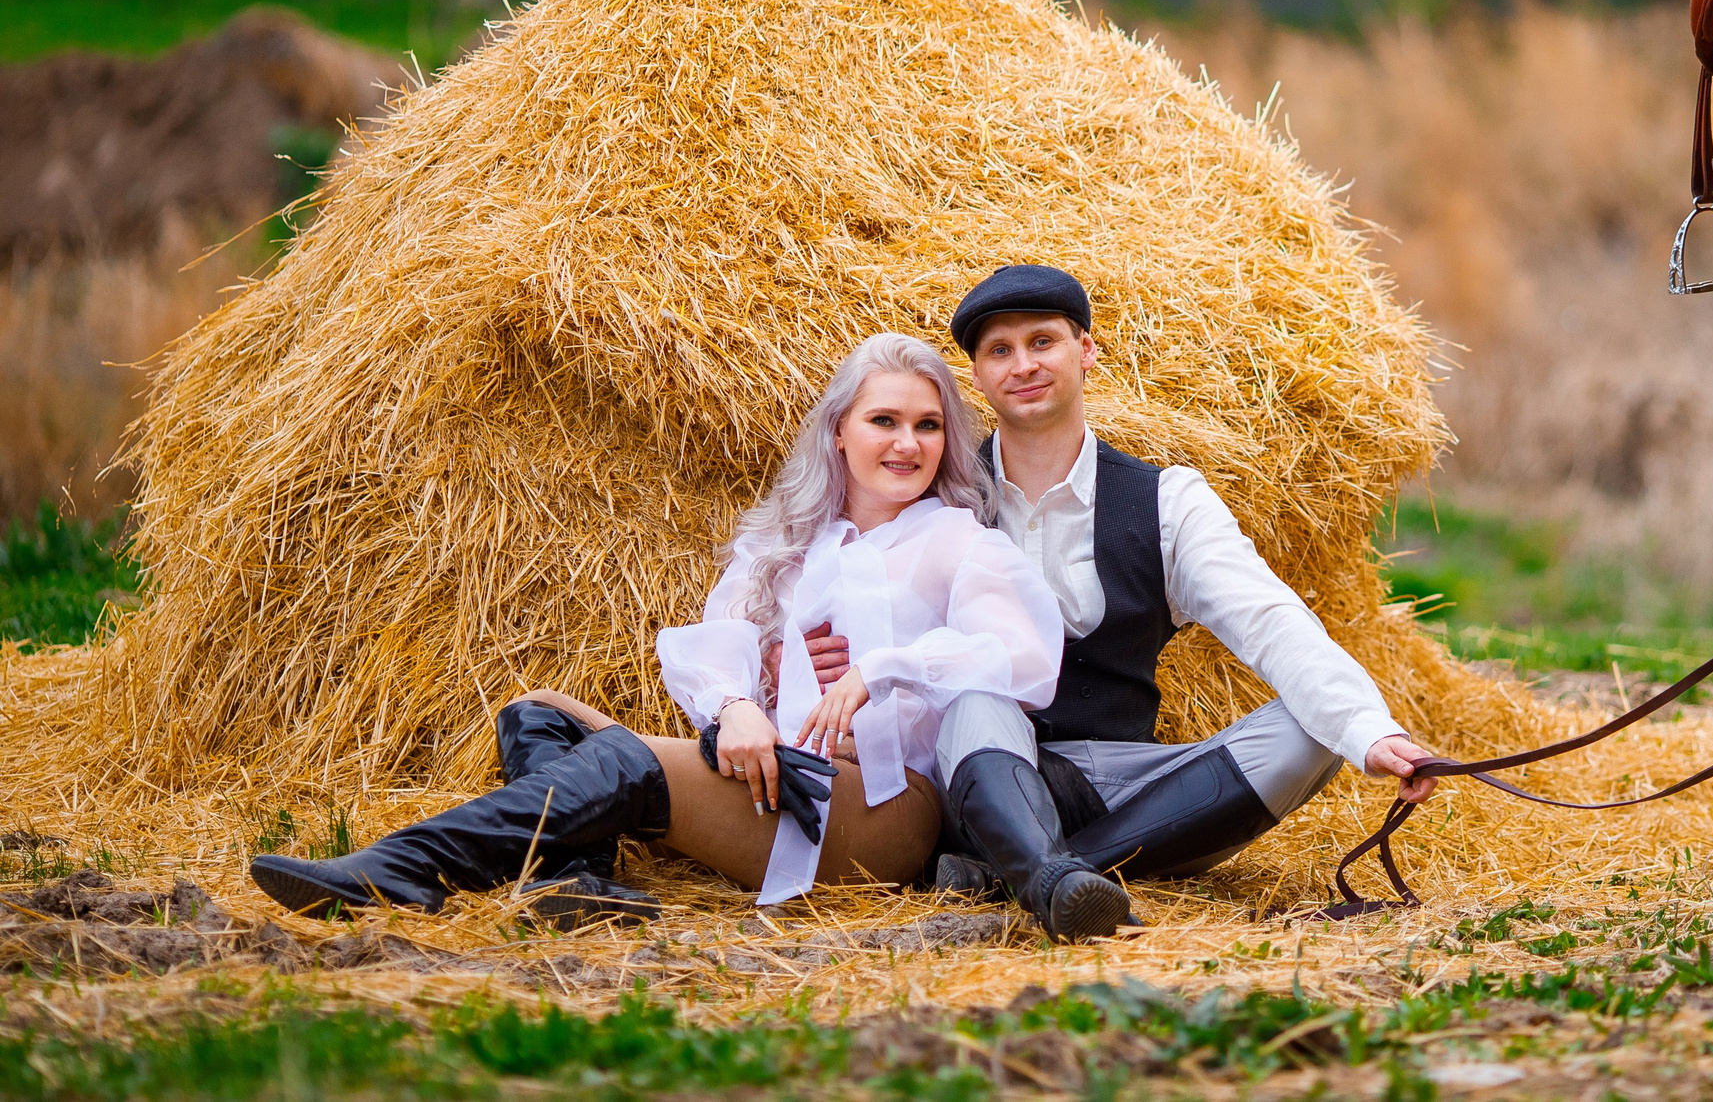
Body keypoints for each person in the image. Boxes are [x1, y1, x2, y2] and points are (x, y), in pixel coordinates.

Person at [250, 333, 1063, 921]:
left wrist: (881, 667)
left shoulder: (959, 540)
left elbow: (1025, 656)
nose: (908, 442)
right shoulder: (786, 546)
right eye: (885, 420)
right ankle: (576, 880)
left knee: (626, 760)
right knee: (538, 710)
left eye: (928, 425)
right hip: (774, 777)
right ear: (840, 430)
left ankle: (402, 868)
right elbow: (719, 643)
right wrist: (735, 706)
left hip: (881, 806)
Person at [791, 265, 1444, 942]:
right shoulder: (934, 499)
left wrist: (1370, 730)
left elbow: (1268, 618)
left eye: (1043, 341)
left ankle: (1030, 872)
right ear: (978, 378)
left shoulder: (1167, 502)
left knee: (1316, 729)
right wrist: (794, 652)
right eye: (1000, 350)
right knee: (978, 699)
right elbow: (841, 584)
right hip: (980, 768)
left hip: (1127, 778)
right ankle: (1043, 867)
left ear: (1087, 350)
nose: (1024, 364)